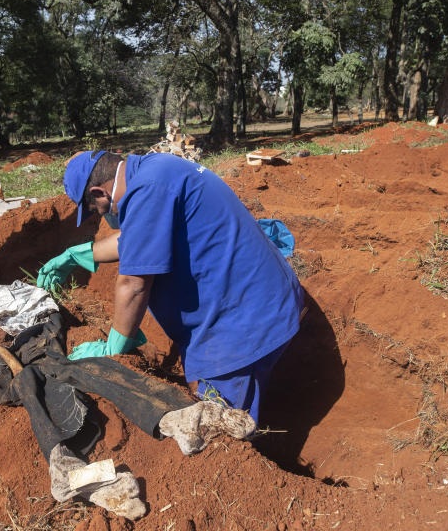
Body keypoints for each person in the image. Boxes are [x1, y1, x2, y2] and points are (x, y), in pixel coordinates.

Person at [36, 150, 304, 424]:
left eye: (96, 210)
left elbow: (134, 285)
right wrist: (78, 254)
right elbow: (139, 237)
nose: (104, 216)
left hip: (242, 327)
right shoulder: (154, 169)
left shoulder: (146, 191)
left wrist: (113, 349)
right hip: (265, 299)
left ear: (99, 192)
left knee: (220, 429)